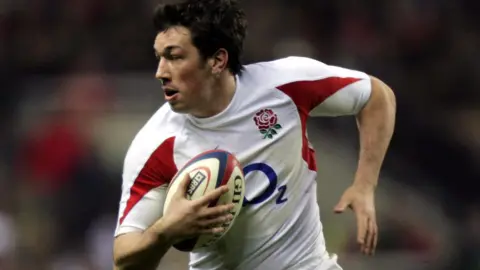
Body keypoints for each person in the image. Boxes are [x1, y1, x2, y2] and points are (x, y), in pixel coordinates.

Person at [113, 0, 396, 269]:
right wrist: (166, 230)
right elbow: (123, 260)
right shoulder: (155, 145)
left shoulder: (286, 85)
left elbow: (377, 96)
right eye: (159, 57)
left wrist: (365, 185)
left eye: (174, 57)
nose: (160, 72)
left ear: (217, 60)